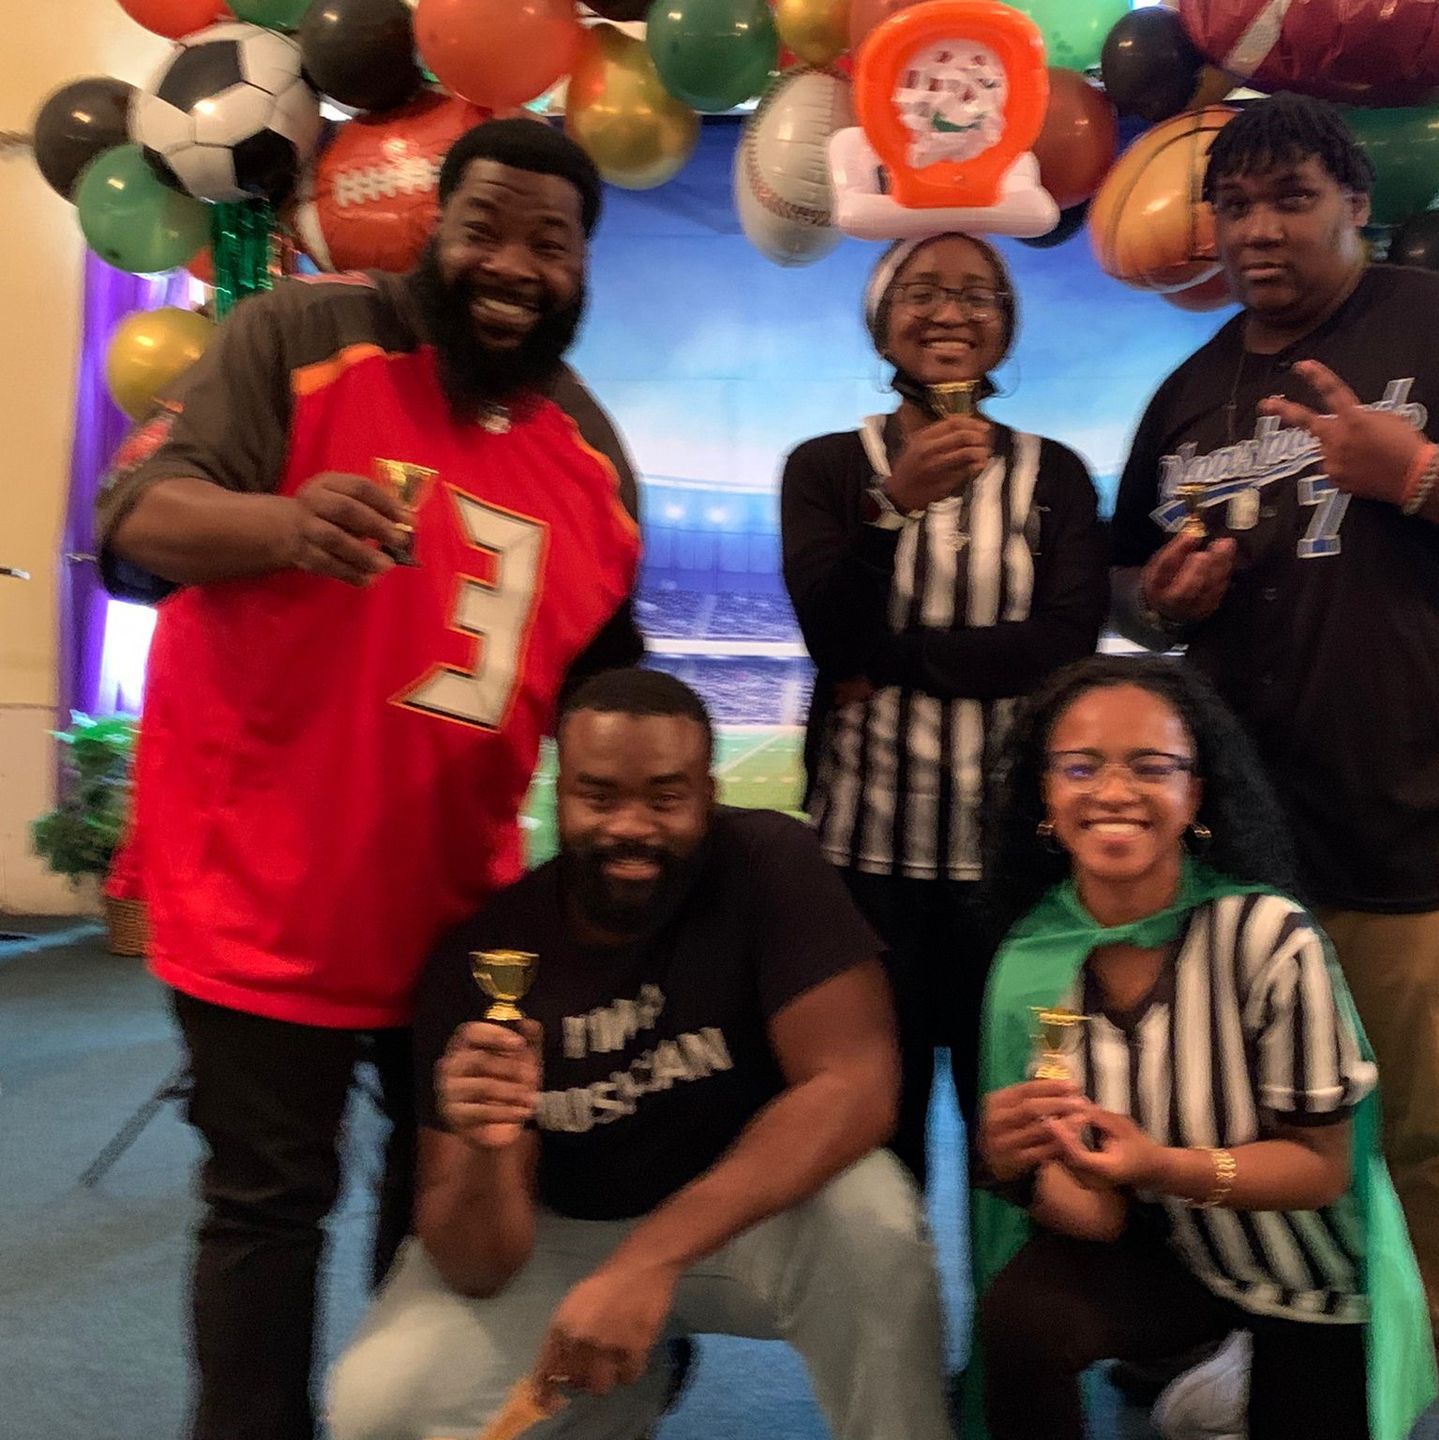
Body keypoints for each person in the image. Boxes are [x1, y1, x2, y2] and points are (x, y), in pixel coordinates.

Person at [94, 119, 646, 1440]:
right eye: (486, 227)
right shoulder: (301, 337)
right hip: (257, 892)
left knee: (435, 1214)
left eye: (549, 242)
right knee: (268, 1211)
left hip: (456, 925)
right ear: (433, 234)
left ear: (581, 269)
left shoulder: (595, 461)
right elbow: (131, 524)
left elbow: (610, 709)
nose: (512, 263)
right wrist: (283, 523)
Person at [1109, 96, 1439, 1439]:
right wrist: (1164, 602)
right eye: (1236, 206)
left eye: (1291, 197)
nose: (1259, 230)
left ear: (1355, 204)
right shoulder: (1191, 392)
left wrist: (1418, 474)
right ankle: (1292, 1359)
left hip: (1436, 831)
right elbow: (1131, 584)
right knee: (1270, 1130)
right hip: (1257, 853)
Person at [325, 669, 953, 1440]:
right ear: (560, 792)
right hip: (570, 1232)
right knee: (378, 1409)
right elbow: (476, 1265)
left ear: (708, 793)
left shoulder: (766, 860)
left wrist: (647, 1261)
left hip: (750, 1217)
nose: (632, 826)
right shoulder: (484, 960)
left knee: (872, 1220)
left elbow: (855, 1084)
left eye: (665, 797)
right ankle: (620, 1389)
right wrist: (488, 1154)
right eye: (599, 796)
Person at [969, 655, 1434, 1440]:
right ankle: (1207, 1366)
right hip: (1173, 1252)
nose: (1114, 793)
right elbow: (1099, 1218)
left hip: (1307, 1273)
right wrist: (1016, 1170)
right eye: (1081, 768)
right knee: (1023, 1321)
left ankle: (1233, 1372)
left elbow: (1322, 1168)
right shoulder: (1034, 959)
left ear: (1196, 796)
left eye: (1152, 768)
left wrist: (1161, 1166)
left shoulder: (1265, 936)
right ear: (1046, 797)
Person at [781, 232, 1108, 1185]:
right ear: (882, 322)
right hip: (861, 866)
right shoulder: (828, 469)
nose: (952, 312)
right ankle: (888, 1336)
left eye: (978, 294)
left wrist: (892, 660)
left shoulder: (1055, 477)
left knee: (1011, 1131)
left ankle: (1004, 1333)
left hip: (1005, 871)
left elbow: (1062, 651)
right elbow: (829, 634)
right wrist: (889, 510)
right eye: (923, 291)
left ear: (1006, 326)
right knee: (873, 1136)